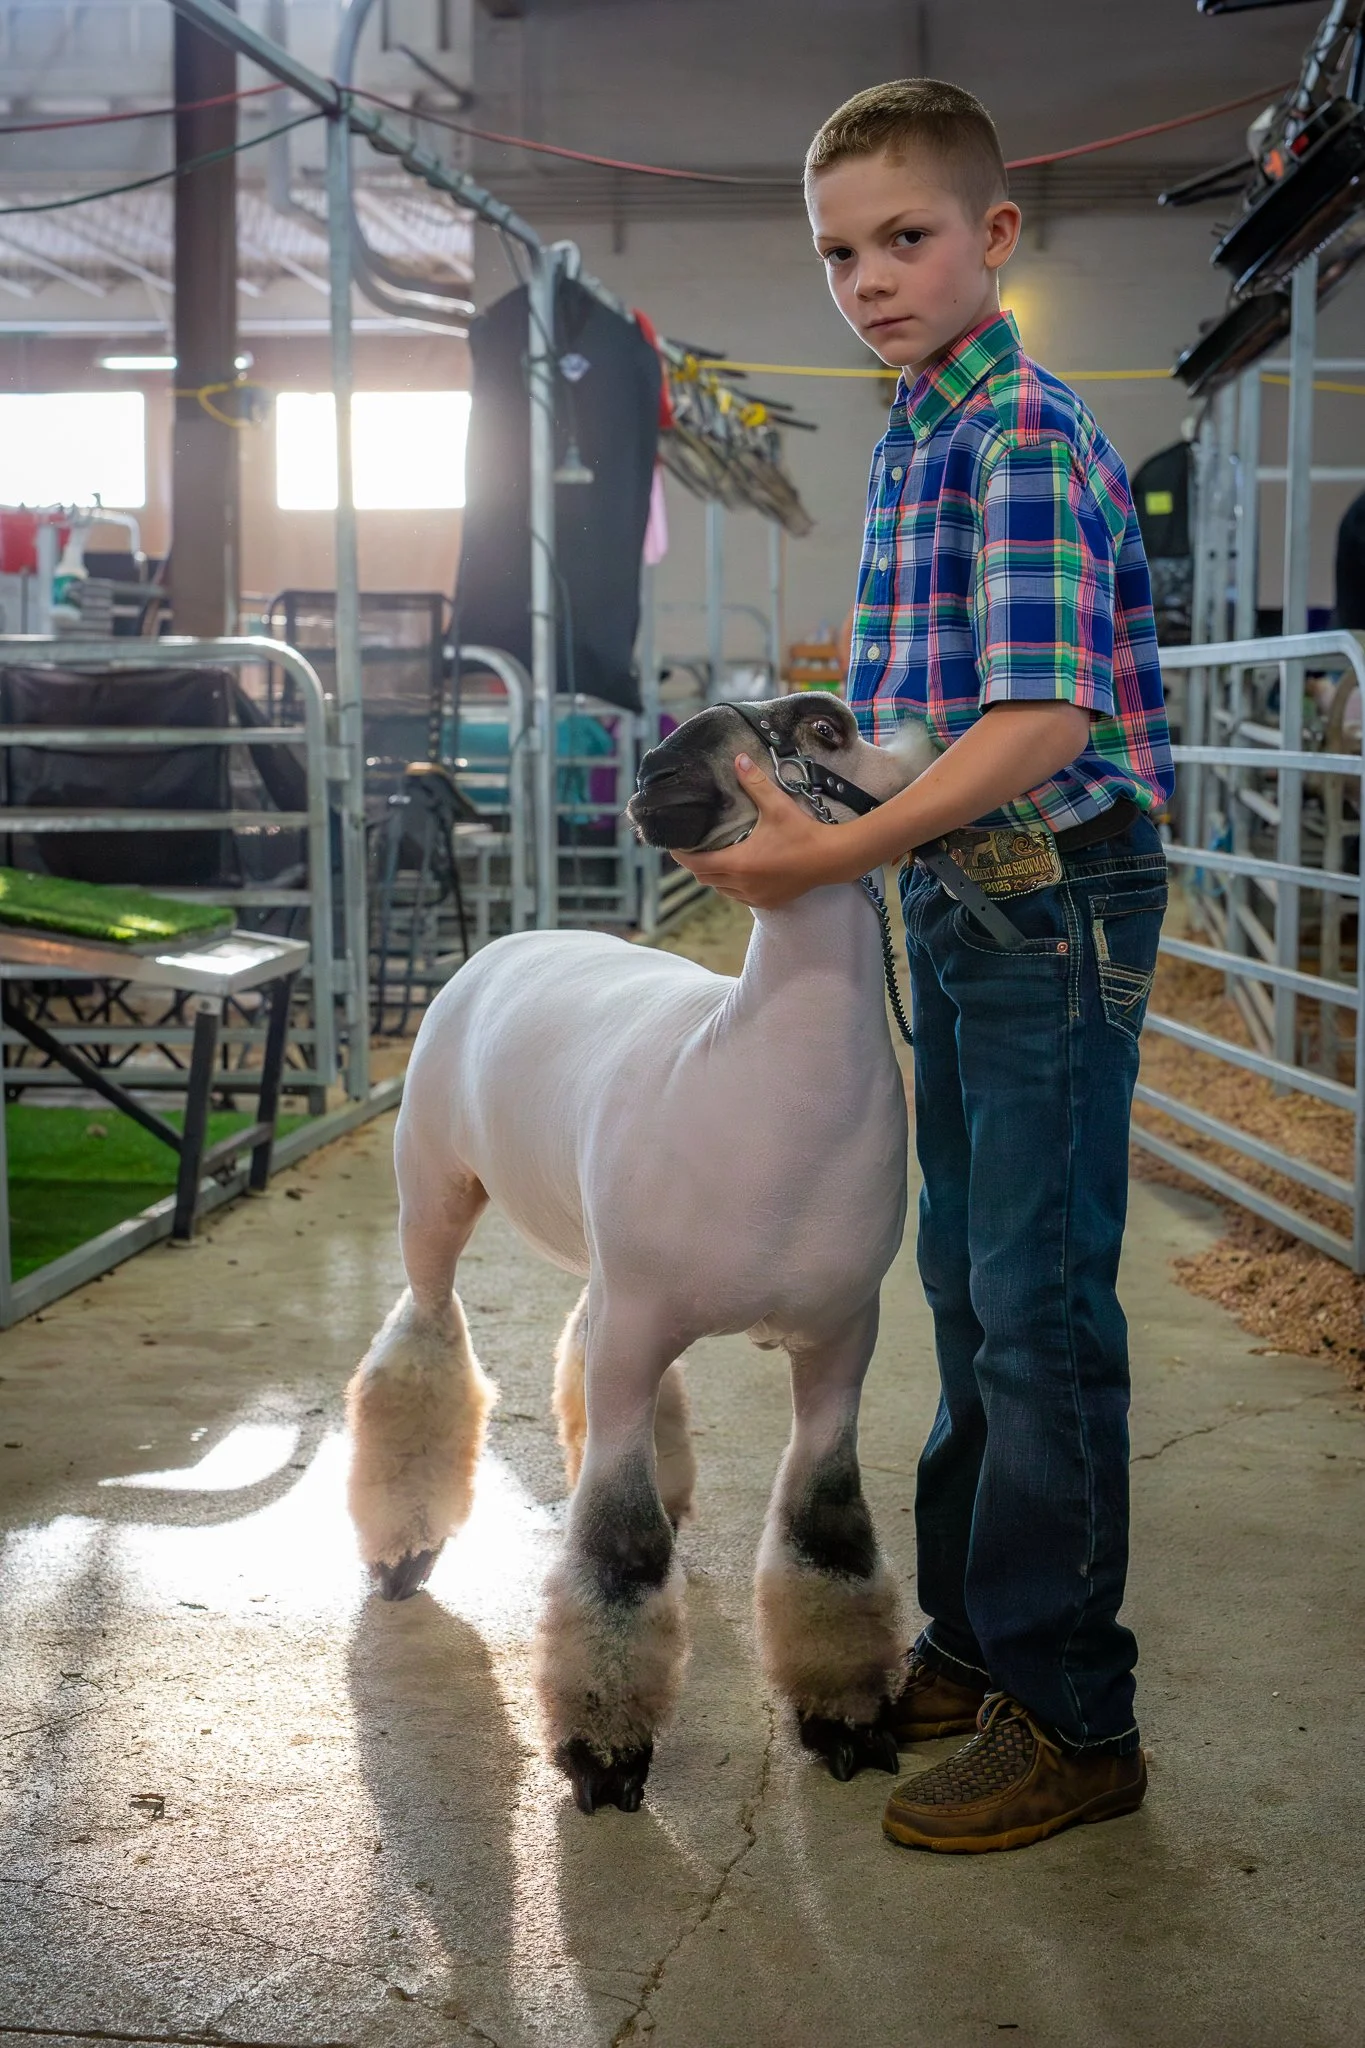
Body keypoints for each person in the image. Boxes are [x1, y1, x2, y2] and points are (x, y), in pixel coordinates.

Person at [674, 78, 1174, 1855]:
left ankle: (1075, 1714)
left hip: (1050, 893)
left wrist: (830, 852)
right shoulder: (919, 427)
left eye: (906, 238)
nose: (869, 278)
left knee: (1037, 1308)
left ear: (995, 234)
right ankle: (978, 1637)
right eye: (839, 253)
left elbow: (1040, 725)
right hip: (970, 895)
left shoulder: (1017, 434)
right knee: (967, 1277)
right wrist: (820, 774)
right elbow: (934, 707)